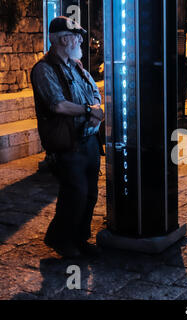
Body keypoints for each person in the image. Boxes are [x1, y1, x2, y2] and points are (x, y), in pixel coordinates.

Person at [31, 16, 104, 258]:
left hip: (89, 141)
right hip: (68, 144)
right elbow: (58, 105)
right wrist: (88, 111)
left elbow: (94, 92)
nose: (82, 40)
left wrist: (93, 109)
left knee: (90, 194)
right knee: (76, 193)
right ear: (64, 39)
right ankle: (60, 239)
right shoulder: (44, 69)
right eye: (77, 36)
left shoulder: (77, 66)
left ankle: (79, 238)